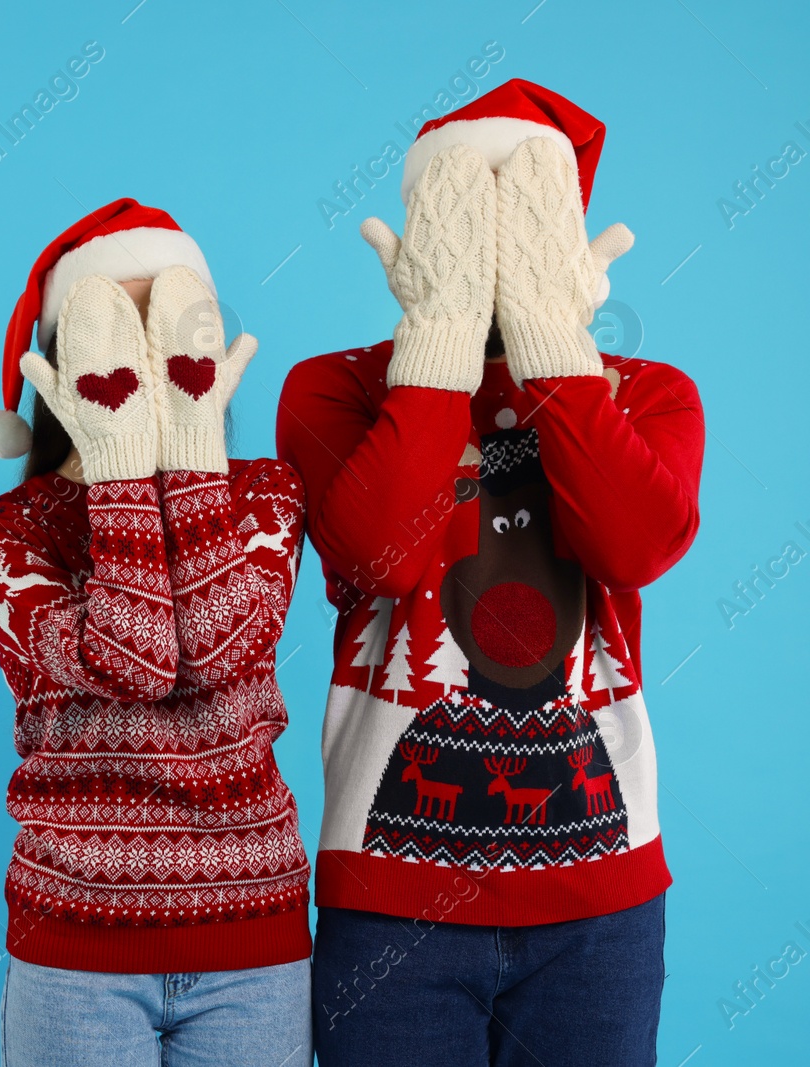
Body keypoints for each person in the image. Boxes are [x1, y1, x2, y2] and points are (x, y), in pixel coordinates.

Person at [275, 80, 704, 1066]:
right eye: (473, 218)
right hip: (389, 897)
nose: (500, 241)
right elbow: (377, 559)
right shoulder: (335, 386)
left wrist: (553, 337)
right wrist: (440, 336)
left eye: (528, 219)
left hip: (601, 899)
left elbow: (631, 547)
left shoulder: (648, 395)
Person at [0, 199, 312, 1066]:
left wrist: (189, 451)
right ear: (62, 363)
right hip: (76, 946)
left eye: (168, 318)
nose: (147, 353)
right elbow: (136, 658)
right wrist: (115, 460)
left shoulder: (266, 497)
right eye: (116, 322)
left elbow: (219, 649)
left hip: (250, 944)